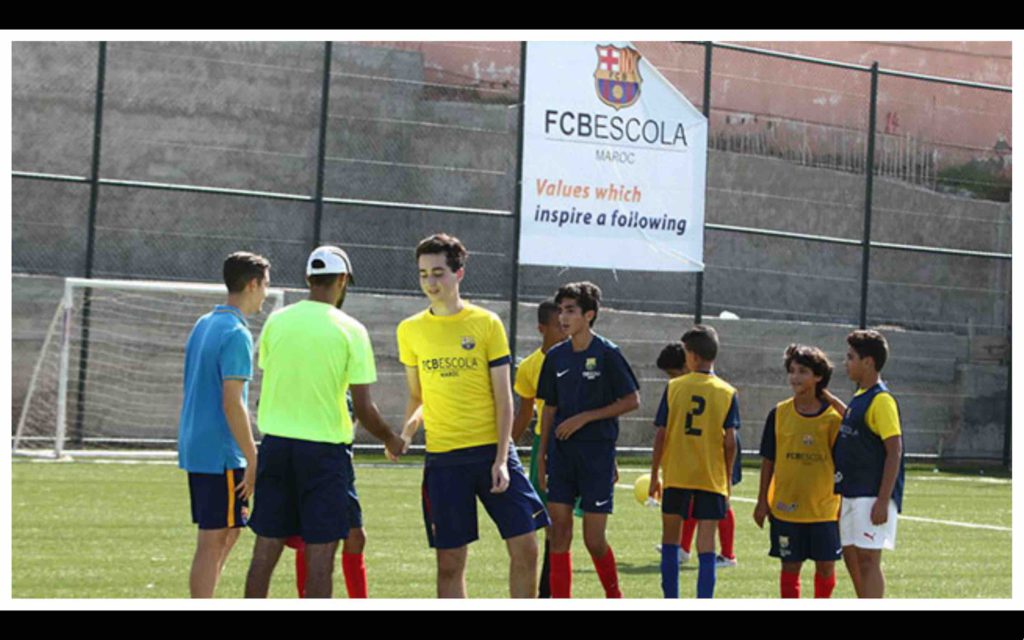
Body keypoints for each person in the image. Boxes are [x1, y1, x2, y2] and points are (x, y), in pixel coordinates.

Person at [244, 245, 405, 598]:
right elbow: (363, 407)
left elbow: (270, 378)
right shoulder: (352, 330)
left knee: (263, 554)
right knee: (320, 559)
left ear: (307, 278)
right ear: (343, 280)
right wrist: (391, 438)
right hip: (324, 457)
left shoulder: (277, 321)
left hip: (275, 448)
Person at [395, 233, 548, 598]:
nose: (430, 283)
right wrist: (407, 431)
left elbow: (503, 396)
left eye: (438, 273)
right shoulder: (410, 330)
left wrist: (501, 459)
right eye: (423, 274)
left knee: (525, 547)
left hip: (492, 453)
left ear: (458, 274)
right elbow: (418, 396)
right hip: (445, 459)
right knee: (450, 562)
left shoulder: (486, 323)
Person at [536, 281, 640, 599]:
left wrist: (585, 417)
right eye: (561, 311)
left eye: (571, 311)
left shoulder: (607, 354)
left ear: (589, 315)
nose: (563, 318)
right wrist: (542, 456)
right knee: (558, 532)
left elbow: (632, 399)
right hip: (562, 455)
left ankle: (614, 596)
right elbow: (549, 407)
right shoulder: (555, 357)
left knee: (593, 540)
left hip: (596, 456)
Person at [178, 251, 270, 598]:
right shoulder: (236, 333)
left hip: (197, 444)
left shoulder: (205, 323)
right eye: (265, 285)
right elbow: (232, 402)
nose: (265, 294)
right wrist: (252, 455)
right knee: (214, 538)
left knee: (228, 531)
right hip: (221, 451)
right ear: (252, 284)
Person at [648, 325, 738, 599]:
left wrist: (654, 475)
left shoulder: (674, 387)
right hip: (711, 477)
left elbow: (661, 434)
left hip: (677, 474)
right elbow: (730, 441)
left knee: (670, 540)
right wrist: (727, 478)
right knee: (707, 543)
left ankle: (671, 599)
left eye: (686, 352)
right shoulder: (727, 391)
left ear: (694, 356)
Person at [753, 344, 843, 598]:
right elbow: (768, 460)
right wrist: (762, 502)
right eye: (792, 371)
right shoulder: (779, 413)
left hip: (823, 509)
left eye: (802, 371)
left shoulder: (833, 419)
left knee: (826, 568)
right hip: (786, 508)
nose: (795, 377)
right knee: (790, 567)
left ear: (818, 376)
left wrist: (842, 507)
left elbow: (842, 466)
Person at [832, 329, 905, 599]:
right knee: (851, 556)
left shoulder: (881, 400)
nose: (846, 362)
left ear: (868, 362)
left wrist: (883, 500)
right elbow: (852, 420)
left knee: (868, 561)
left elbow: (894, 450)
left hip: (871, 494)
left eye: (850, 357)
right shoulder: (861, 397)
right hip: (851, 491)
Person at [283, 391, 368, 598]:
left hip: (340, 464)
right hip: (310, 462)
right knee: (310, 538)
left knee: (355, 536)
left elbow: (358, 412)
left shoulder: (347, 385)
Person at [511, 299, 567, 598]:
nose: (565, 329)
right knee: (548, 520)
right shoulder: (531, 366)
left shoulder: (575, 357)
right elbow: (524, 413)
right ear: (541, 329)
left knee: (568, 524)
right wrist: (503, 450)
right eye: (559, 325)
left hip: (576, 445)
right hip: (544, 447)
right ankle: (547, 591)